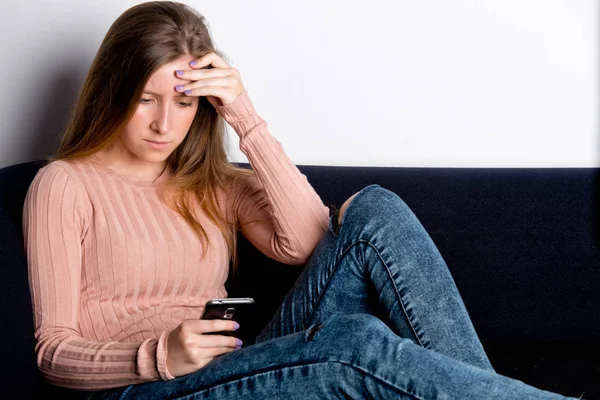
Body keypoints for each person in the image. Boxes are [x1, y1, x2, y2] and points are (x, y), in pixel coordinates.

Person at [22, 2, 581, 399]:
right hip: (143, 389)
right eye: (145, 99)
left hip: (234, 367)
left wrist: (244, 113)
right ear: (112, 90)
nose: (165, 122)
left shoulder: (208, 181)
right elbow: (52, 354)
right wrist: (159, 355)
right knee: (355, 340)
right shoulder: (65, 186)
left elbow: (311, 242)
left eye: (185, 102)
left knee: (373, 210)